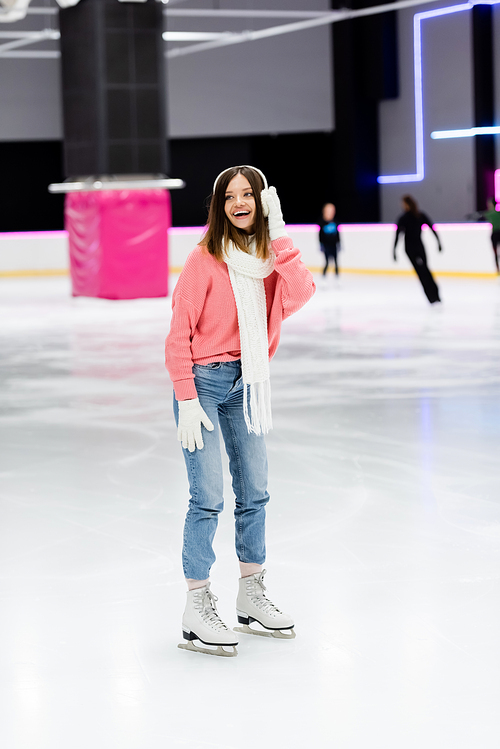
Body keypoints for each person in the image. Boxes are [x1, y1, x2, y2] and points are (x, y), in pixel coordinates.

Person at [165, 165, 315, 657]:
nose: (239, 202)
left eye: (249, 194)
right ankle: (196, 606)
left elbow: (302, 292)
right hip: (204, 385)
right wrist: (186, 395)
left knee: (255, 488)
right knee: (207, 496)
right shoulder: (202, 260)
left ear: (261, 201)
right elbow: (177, 335)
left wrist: (284, 233)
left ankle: (251, 596)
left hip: (246, 384)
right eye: (230, 196)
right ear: (219, 205)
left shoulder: (270, 261)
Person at [394, 195, 442, 304]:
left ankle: (434, 296)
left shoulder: (413, 216)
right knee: (424, 271)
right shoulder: (412, 217)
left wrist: (394, 250)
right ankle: (434, 296)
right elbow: (398, 234)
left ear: (406, 204)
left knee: (424, 272)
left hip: (414, 248)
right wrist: (438, 242)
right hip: (415, 248)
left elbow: (431, 227)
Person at [319, 202, 341, 277]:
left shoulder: (335, 222)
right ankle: (324, 278)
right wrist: (321, 245)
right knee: (327, 262)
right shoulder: (322, 223)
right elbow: (320, 235)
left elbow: (338, 235)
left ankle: (337, 278)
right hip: (326, 246)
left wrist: (339, 244)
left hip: (334, 245)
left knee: (336, 262)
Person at [482, 198, 500, 274]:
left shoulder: (489, 213)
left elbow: (480, 217)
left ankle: (497, 269)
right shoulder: (497, 213)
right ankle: (497, 269)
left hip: (496, 234)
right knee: (495, 252)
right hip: (497, 234)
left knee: (495, 252)